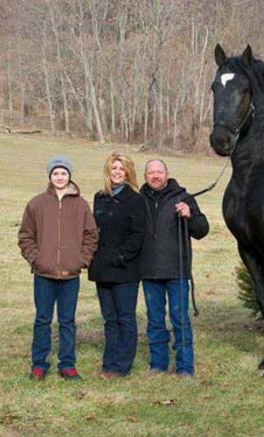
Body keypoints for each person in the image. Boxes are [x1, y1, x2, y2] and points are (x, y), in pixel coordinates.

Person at [17, 155, 98, 381]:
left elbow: (91, 235)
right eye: (56, 173)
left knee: (67, 320)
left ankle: (67, 364)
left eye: (63, 173)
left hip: (70, 274)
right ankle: (39, 364)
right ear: (50, 177)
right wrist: (37, 259)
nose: (60, 177)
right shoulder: (36, 204)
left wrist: (81, 260)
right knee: (42, 319)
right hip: (44, 274)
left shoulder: (81, 205)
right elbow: (25, 236)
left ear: (69, 176)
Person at [139, 159, 209, 377]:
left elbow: (202, 230)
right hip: (149, 271)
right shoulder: (138, 199)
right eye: (151, 172)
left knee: (180, 319)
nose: (155, 176)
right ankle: (158, 364)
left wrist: (190, 215)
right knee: (155, 320)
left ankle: (185, 367)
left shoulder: (183, 197)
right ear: (145, 176)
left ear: (167, 174)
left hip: (177, 270)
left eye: (159, 172)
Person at [88, 153, 146, 380]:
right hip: (102, 268)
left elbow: (138, 234)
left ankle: (122, 366)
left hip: (125, 269)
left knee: (125, 318)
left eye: (121, 169)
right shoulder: (99, 197)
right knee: (109, 319)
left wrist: (121, 256)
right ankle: (108, 362)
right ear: (108, 171)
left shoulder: (135, 200)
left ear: (128, 172)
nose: (117, 172)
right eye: (114, 168)